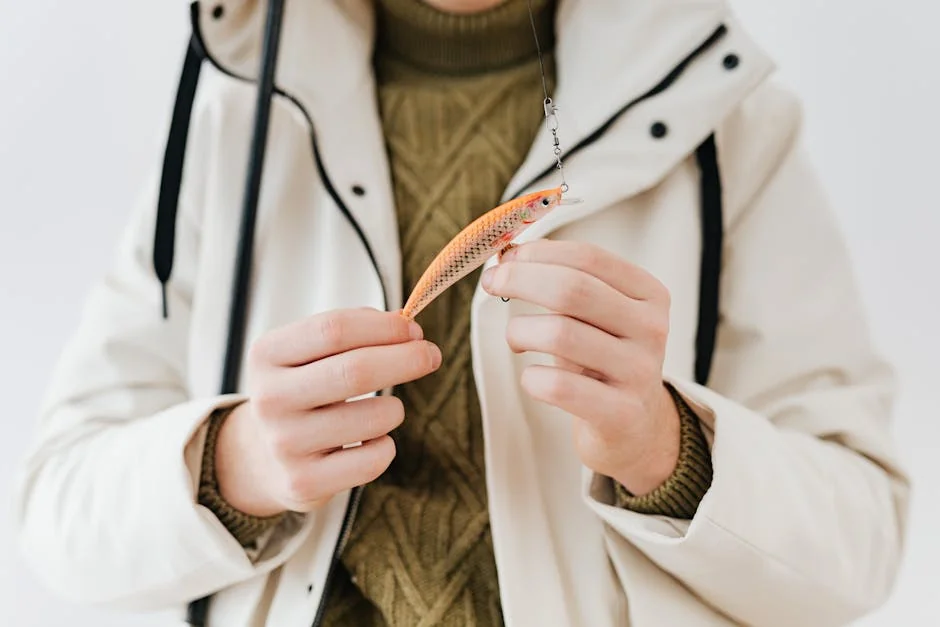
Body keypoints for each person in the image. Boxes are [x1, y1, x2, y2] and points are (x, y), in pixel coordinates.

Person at [13, 0, 910, 625]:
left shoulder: (726, 119)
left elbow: (862, 544)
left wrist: (666, 449)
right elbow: (54, 514)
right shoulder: (229, 118)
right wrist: (236, 462)